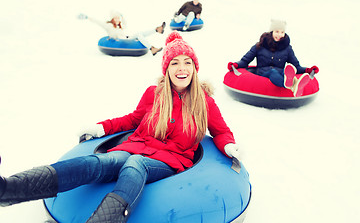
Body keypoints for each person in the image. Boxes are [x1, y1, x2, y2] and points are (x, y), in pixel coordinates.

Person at [0, 31, 241, 223]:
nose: (182, 68)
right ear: (166, 69)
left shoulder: (204, 102)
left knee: (135, 164)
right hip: (137, 147)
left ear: (194, 68)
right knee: (102, 162)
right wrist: (101, 128)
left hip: (170, 159)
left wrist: (228, 146)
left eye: (187, 62)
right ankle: (10, 189)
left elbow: (220, 131)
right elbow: (132, 120)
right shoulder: (154, 94)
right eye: (175, 63)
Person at [228, 19, 319, 97]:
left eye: (282, 32)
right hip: (263, 74)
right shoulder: (259, 46)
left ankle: (292, 83)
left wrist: (308, 70)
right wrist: (235, 65)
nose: (279, 35)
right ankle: (292, 86)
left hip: (280, 73)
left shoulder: (287, 48)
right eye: (277, 32)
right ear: (271, 32)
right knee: (273, 72)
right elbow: (245, 61)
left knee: (285, 71)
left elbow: (296, 67)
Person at [79, 10, 165, 56]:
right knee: (139, 35)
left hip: (126, 39)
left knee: (140, 34)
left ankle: (157, 30)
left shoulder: (119, 26)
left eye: (118, 18)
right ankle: (152, 48)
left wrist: (122, 16)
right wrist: (87, 17)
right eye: (115, 18)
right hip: (120, 41)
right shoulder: (108, 26)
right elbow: (98, 22)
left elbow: (125, 23)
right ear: (112, 19)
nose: (117, 20)